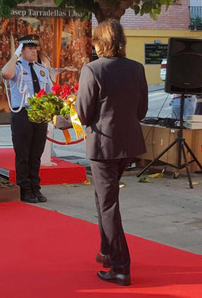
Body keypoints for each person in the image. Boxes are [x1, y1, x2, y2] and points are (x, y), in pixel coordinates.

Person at [75, 19, 148, 286]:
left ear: (100, 42)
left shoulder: (92, 70)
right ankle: (107, 251)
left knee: (108, 205)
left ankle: (121, 267)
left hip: (104, 145)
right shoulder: (137, 68)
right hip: (128, 144)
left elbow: (83, 113)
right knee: (103, 196)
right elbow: (142, 111)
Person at [1, 34, 53, 203]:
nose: (34, 51)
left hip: (40, 115)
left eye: (35, 48)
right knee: (23, 153)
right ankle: (24, 189)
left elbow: (49, 91)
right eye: (29, 48)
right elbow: (5, 73)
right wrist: (16, 55)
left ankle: (35, 187)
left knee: (36, 153)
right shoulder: (16, 67)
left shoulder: (41, 69)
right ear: (21, 50)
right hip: (22, 114)